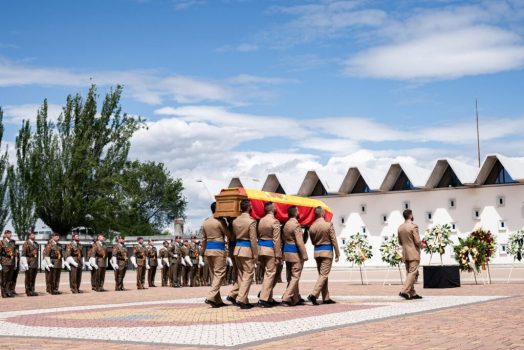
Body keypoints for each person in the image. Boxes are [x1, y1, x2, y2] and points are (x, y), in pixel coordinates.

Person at [307, 206, 340, 305]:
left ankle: (326, 297)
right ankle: (313, 295)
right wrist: (337, 253)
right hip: (327, 252)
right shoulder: (328, 225)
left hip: (317, 252)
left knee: (322, 275)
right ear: (322, 213)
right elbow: (334, 240)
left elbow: (312, 242)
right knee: (324, 275)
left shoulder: (311, 227)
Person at [228, 199, 258, 309]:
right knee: (248, 274)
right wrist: (256, 255)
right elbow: (253, 240)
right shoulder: (251, 221)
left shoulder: (235, 221)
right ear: (249, 207)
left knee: (241, 276)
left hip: (237, 249)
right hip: (247, 249)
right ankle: (241, 299)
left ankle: (244, 300)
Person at [201, 202, 230, 307]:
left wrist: (204, 252)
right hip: (218, 250)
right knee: (220, 273)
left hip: (208, 250)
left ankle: (216, 300)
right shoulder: (220, 222)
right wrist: (227, 224)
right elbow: (228, 234)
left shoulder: (205, 222)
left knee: (214, 275)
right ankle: (210, 296)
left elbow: (203, 239)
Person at [257, 202, 282, 308]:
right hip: (270, 250)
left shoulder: (261, 220)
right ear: (272, 209)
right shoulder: (275, 221)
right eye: (275, 207)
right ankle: (263, 298)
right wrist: (278, 255)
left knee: (267, 274)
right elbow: (276, 240)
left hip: (261, 249)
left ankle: (269, 298)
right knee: (270, 274)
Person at [281, 206, 308, 306]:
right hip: (295, 253)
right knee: (295, 276)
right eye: (298, 211)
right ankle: (286, 297)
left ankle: (295, 298)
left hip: (287, 253)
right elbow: (300, 242)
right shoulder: (296, 225)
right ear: (295, 213)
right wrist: (304, 255)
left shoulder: (286, 224)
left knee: (290, 276)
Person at [398, 209, 423, 300]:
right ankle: (404, 291)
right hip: (413, 253)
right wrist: (422, 245)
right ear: (411, 215)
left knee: (410, 273)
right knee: (413, 273)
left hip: (405, 253)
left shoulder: (400, 227)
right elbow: (417, 241)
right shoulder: (413, 227)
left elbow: (400, 242)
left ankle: (412, 293)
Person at [20, 230, 39, 296]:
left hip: (35, 263)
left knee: (33, 278)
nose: (34, 236)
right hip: (29, 263)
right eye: (33, 235)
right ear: (29, 236)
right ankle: (28, 291)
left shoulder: (36, 244)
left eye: (34, 235)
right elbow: (23, 254)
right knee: (28, 278)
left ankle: (32, 290)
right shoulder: (26, 243)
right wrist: (25, 263)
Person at [0, 230, 16, 298]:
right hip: (5, 262)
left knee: (10, 278)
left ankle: (8, 291)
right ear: (5, 234)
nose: (10, 235)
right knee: (4, 278)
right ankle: (3, 292)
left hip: (11, 262)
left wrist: (15, 263)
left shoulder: (12, 242)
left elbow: (14, 253)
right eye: (8, 233)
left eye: (10, 233)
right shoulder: (2, 242)